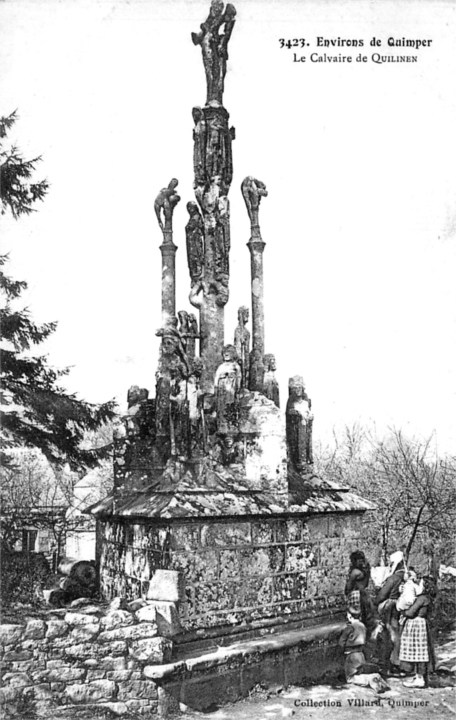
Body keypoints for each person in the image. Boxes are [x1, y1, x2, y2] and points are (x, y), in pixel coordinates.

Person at [338, 607, 389, 693]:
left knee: (350, 678)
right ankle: (376, 676)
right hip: (361, 654)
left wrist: (342, 650)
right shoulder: (363, 626)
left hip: (351, 655)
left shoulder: (350, 628)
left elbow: (341, 642)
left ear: (349, 616)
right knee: (359, 672)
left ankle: (370, 679)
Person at [400, 576, 436, 688]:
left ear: (424, 586)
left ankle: (420, 678)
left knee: (419, 653)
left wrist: (403, 611)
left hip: (417, 625)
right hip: (422, 624)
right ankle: (419, 676)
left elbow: (411, 612)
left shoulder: (422, 598)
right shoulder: (428, 598)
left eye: (420, 583)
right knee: (420, 652)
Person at [376, 550, 407, 676]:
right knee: (397, 635)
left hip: (391, 609)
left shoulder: (393, 579)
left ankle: (389, 665)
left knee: (390, 636)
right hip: (401, 610)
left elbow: (381, 596)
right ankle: (398, 663)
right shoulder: (407, 577)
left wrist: (376, 600)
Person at [345, 550, 376, 633]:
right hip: (363, 594)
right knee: (365, 616)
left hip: (356, 595)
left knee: (355, 618)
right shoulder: (366, 570)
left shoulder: (355, 572)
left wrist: (347, 593)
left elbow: (349, 586)